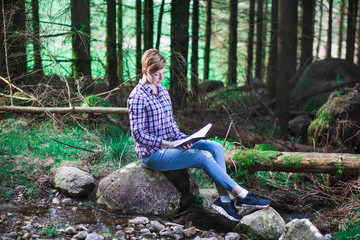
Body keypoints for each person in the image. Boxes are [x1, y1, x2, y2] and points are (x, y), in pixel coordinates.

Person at [127, 49, 270, 221]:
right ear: (145, 72)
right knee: (202, 157)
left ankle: (224, 200)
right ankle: (242, 194)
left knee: (215, 147)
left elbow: (170, 124)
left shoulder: (163, 91)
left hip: (172, 144)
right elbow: (139, 136)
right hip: (152, 154)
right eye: (157, 75)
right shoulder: (136, 97)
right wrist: (169, 144)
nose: (161, 78)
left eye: (163, 74)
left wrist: (184, 139)